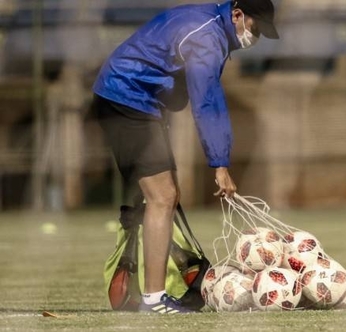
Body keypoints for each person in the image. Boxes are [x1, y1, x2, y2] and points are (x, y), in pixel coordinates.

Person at [91, 0, 279, 314]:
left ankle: (162, 286)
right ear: (237, 14)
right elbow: (207, 102)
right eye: (255, 27)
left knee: (165, 196)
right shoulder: (208, 36)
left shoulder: (208, 22)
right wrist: (220, 164)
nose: (254, 37)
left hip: (135, 102)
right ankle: (153, 299)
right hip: (126, 99)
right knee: (163, 196)